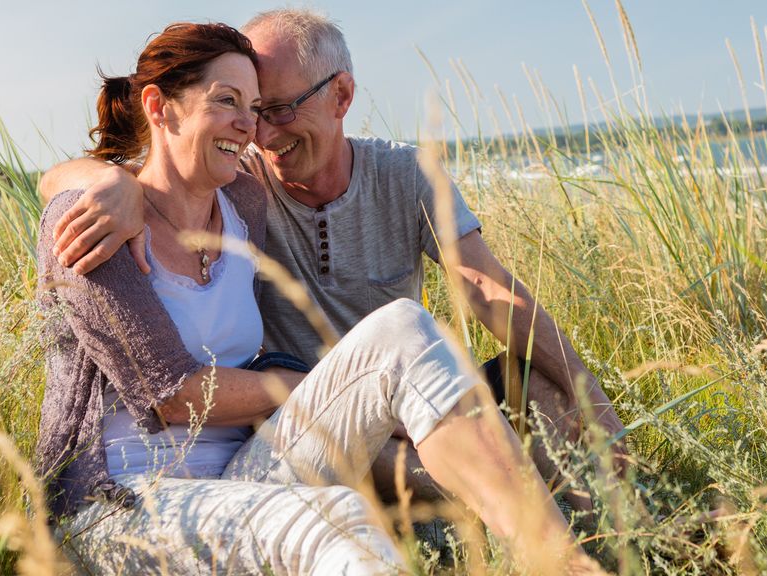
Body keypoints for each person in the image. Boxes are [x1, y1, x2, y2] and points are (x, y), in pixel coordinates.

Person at [35, 21, 604, 575]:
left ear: (342, 95)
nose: (254, 129)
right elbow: (170, 396)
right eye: (229, 100)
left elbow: (484, 284)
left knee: (405, 324)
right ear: (160, 107)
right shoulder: (92, 221)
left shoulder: (243, 201)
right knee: (335, 518)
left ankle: (565, 560)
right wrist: (109, 181)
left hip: (247, 472)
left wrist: (593, 399)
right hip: (125, 502)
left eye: (258, 107)